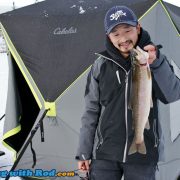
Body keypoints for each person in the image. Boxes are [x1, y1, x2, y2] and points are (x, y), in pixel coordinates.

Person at [75, 6, 180, 180]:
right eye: (116, 34)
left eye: (127, 30)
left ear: (138, 28)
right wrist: (83, 152)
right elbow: (90, 112)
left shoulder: (153, 60)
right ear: (108, 36)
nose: (123, 38)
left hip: (143, 157)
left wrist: (157, 63)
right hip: (104, 155)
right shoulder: (99, 66)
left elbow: (172, 94)